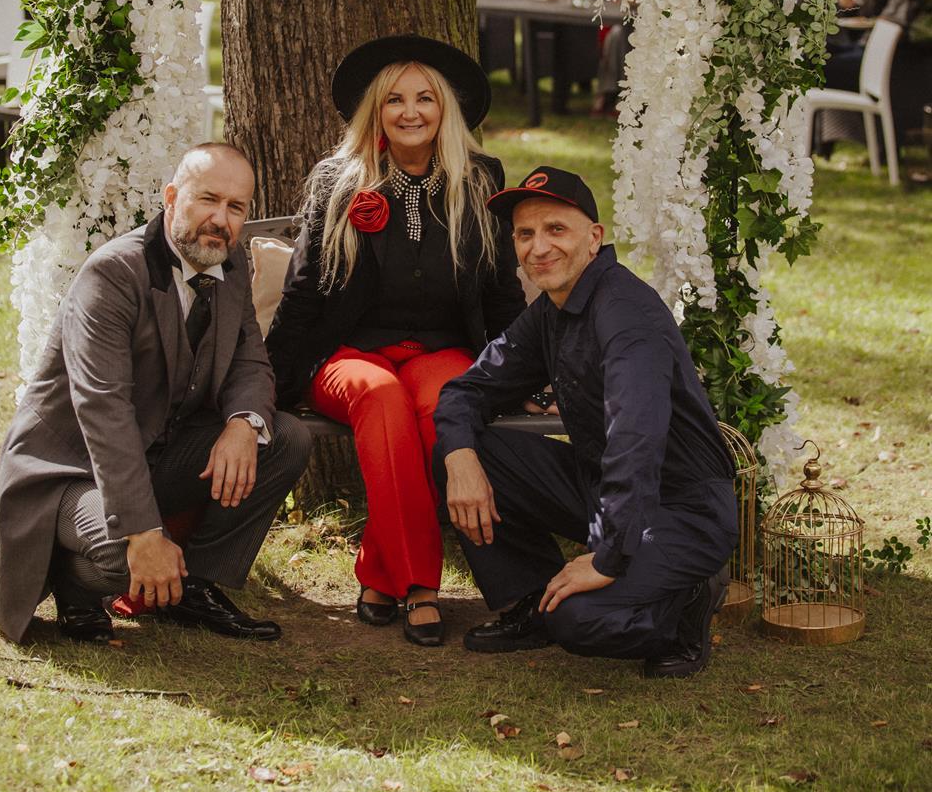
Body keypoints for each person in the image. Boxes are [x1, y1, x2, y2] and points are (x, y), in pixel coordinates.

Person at [0, 143, 314, 646]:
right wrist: (144, 535)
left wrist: (242, 424)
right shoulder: (113, 274)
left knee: (285, 438)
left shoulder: (228, 265)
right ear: (171, 198)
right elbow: (104, 412)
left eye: (236, 207)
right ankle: (74, 582)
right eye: (208, 199)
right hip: (71, 469)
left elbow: (250, 360)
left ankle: (193, 585)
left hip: (158, 451)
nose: (220, 219)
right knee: (128, 560)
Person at [266, 35, 526, 648]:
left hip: (441, 349)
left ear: (445, 108)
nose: (411, 112)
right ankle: (420, 585)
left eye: (425, 98)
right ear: (376, 111)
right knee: (381, 397)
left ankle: (380, 573)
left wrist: (526, 371)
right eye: (395, 100)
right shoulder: (338, 180)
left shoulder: (480, 177)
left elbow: (500, 291)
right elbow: (303, 291)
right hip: (348, 353)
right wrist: (268, 381)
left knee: (445, 405)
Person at [434, 165, 738, 679]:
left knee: (578, 621)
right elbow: (466, 391)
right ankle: (532, 600)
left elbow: (635, 440)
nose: (538, 248)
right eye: (525, 234)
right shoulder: (552, 307)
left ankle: (685, 606)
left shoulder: (625, 313)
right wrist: (460, 461)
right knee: (463, 450)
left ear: (594, 238)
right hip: (599, 485)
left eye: (556, 229)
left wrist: (606, 558)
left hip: (680, 508)